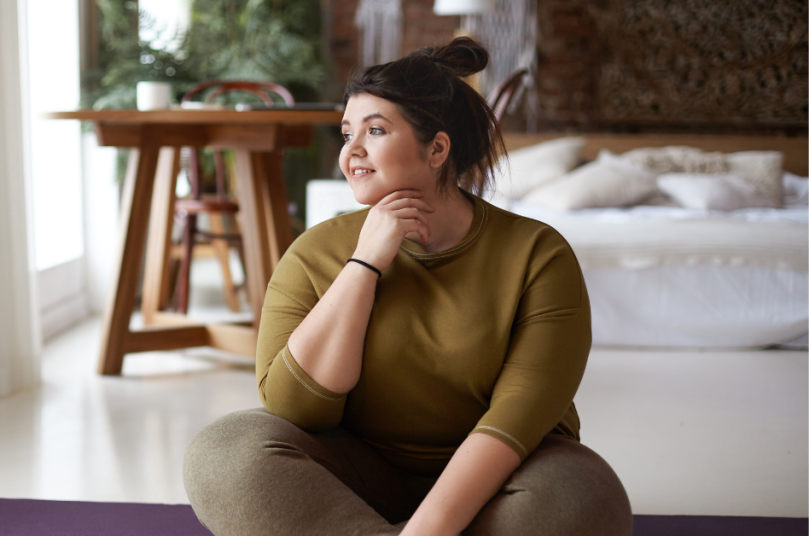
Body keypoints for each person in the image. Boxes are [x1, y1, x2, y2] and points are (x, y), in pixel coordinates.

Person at [184, 37, 632, 536]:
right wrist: (364, 264)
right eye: (347, 133)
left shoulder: (538, 256)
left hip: (503, 476)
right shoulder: (315, 253)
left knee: (582, 496)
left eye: (375, 131)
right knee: (223, 451)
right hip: (360, 476)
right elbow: (295, 407)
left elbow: (515, 423)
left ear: (437, 148)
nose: (351, 151)